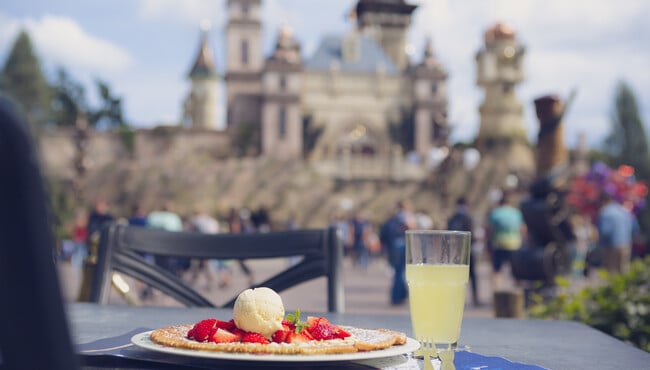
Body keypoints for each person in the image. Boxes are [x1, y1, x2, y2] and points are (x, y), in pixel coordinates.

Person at [486, 193, 525, 291]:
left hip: (499, 244)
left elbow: (490, 230)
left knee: (497, 271)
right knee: (516, 270)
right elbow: (523, 229)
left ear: (500, 203)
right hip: (515, 244)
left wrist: (489, 243)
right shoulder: (516, 213)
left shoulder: (495, 213)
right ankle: (517, 292)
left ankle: (497, 291)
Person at [447, 197, 481, 306]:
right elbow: (471, 235)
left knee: (456, 276)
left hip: (455, 252)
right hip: (467, 251)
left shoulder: (452, 218)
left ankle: (455, 299)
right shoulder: (467, 217)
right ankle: (475, 299)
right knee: (472, 275)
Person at [386, 200, 417, 305]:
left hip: (394, 245)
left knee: (398, 271)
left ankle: (398, 295)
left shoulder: (394, 217)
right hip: (403, 245)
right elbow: (412, 227)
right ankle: (398, 296)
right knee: (402, 271)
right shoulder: (406, 216)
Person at [596, 193, 635, 274]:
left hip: (611, 245)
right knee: (623, 269)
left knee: (611, 270)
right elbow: (633, 227)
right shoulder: (623, 210)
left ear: (603, 201)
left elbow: (605, 231)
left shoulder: (605, 211)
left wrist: (599, 243)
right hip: (625, 243)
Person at [147, 203, 185, 275]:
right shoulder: (174, 217)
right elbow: (179, 232)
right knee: (169, 265)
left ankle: (159, 278)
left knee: (159, 264)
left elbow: (148, 230)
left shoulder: (154, 216)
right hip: (171, 246)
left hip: (155, 245)